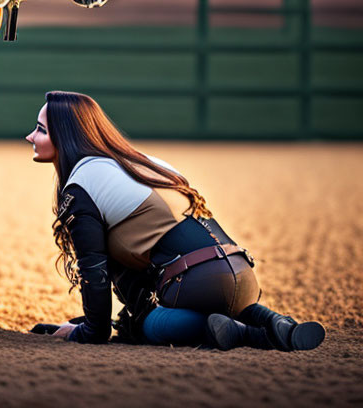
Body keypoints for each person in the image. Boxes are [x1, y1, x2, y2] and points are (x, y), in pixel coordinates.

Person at [25, 91, 325, 351]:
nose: (31, 137)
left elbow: (95, 272)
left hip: (194, 284)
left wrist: (86, 330)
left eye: (40, 130)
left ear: (66, 137)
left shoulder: (81, 183)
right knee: (196, 305)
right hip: (242, 275)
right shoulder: (144, 160)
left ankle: (248, 335)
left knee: (146, 326)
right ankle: (273, 321)